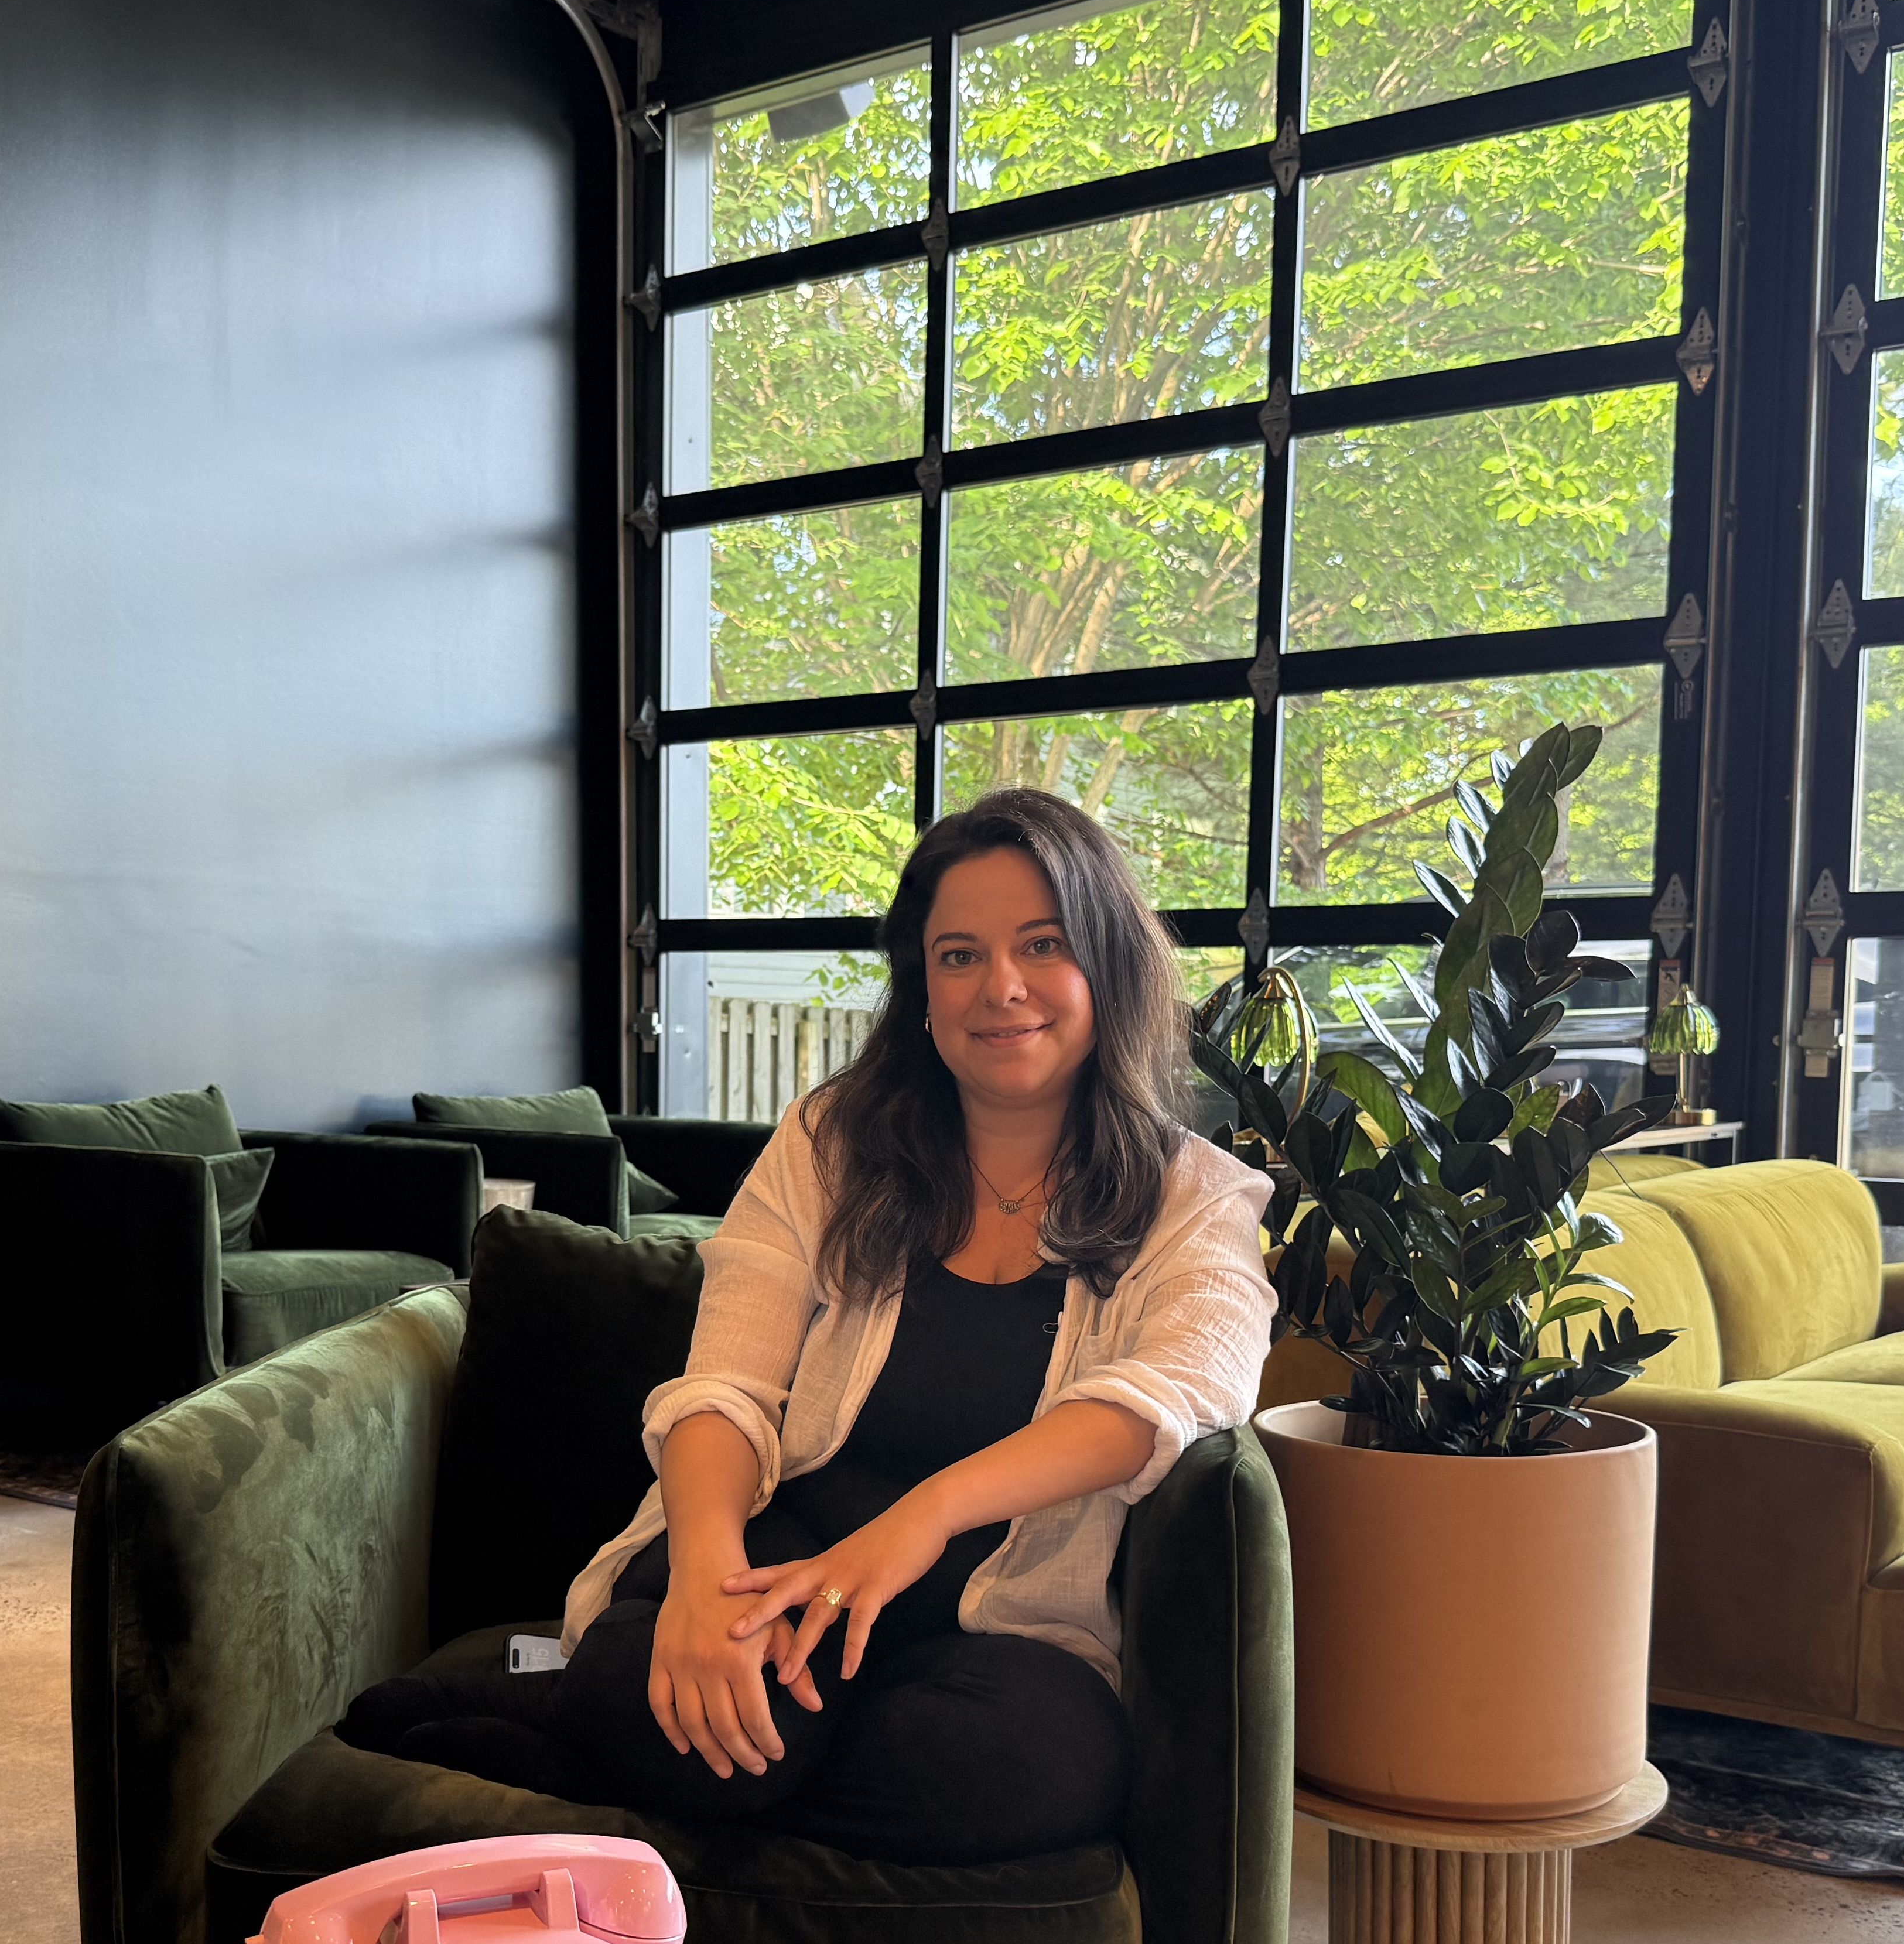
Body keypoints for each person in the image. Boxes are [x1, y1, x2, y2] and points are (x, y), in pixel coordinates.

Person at [341, 787, 1273, 1863]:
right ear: (920, 989)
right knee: (723, 1705)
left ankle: (575, 1742)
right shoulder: (834, 1143)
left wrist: (926, 1515)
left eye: (1042, 945)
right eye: (958, 955)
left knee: (1035, 1772)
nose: (1000, 988)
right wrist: (699, 1575)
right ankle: (651, 1726)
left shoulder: (1194, 1199)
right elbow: (723, 1385)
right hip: (774, 1563)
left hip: (987, 1624)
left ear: (1106, 965)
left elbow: (1183, 1387)